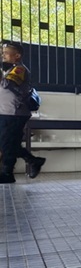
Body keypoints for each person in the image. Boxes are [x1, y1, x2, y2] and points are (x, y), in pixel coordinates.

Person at [0, 42, 46, 183]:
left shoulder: (20, 69)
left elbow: (9, 85)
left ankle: (8, 173)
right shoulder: (7, 70)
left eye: (6, 52)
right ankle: (32, 161)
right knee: (8, 143)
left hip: (15, 112)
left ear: (17, 55)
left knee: (7, 143)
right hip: (5, 112)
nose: (3, 55)